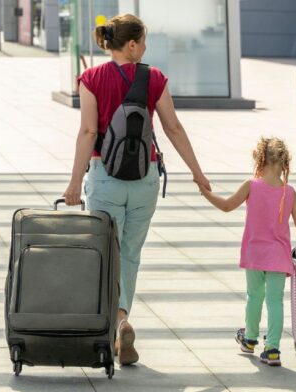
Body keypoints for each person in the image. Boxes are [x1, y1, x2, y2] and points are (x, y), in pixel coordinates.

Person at [63, 14, 210, 366]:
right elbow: (172, 127)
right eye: (143, 42)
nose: (145, 48)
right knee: (130, 255)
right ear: (131, 45)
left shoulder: (91, 78)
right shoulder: (153, 78)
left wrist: (72, 183)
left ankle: (117, 323)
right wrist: (197, 172)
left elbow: (87, 133)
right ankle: (122, 319)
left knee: (106, 253)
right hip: (145, 180)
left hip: (105, 179)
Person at [199, 138, 296, 367]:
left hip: (254, 254)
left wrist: (205, 192)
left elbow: (226, 205)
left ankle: (250, 339)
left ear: (260, 160)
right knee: (275, 302)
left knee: (254, 297)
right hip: (278, 257)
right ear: (284, 164)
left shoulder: (251, 185)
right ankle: (272, 349)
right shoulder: (288, 192)